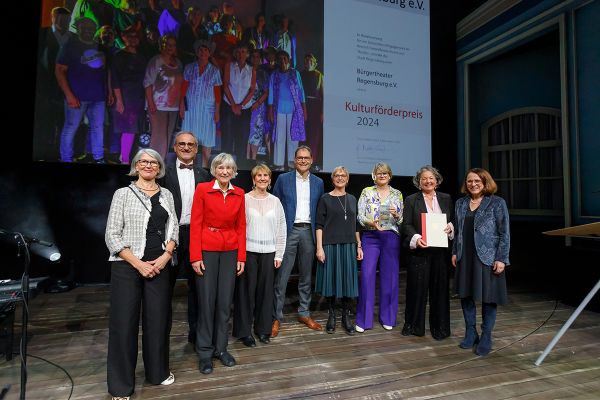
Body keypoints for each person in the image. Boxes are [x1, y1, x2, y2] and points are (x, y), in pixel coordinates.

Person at [105, 148, 178, 400]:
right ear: (136, 166)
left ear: (159, 168)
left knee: (158, 322)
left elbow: (174, 229)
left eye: (153, 162)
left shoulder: (166, 194)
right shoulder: (123, 194)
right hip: (128, 266)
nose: (148, 165)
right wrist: (139, 263)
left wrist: (166, 256)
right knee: (124, 325)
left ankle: (157, 373)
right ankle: (120, 386)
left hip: (159, 265)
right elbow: (112, 235)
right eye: (143, 162)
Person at [189, 153, 246, 374]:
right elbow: (195, 223)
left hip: (230, 251)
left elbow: (241, 227)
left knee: (224, 304)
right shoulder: (203, 189)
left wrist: (241, 257)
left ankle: (221, 349)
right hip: (207, 250)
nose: (224, 172)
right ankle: (204, 351)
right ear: (214, 170)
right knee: (206, 303)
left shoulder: (239, 193)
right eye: (220, 168)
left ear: (233, 172)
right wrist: (195, 256)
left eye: (228, 168)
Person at [452, 168, 510, 356]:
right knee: (466, 295)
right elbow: (458, 231)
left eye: (477, 180)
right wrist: (454, 252)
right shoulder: (460, 203)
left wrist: (501, 258)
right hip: (464, 256)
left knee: (488, 297)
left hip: (487, 257)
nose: (473, 184)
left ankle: (486, 335)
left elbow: (504, 233)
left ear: (485, 182)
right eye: (470, 181)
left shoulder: (497, 203)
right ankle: (471, 332)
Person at [160, 131, 211, 344]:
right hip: (170, 234)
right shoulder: (164, 174)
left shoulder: (205, 175)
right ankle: (161, 332)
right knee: (164, 287)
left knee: (197, 287)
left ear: (197, 149)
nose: (186, 147)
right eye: (182, 144)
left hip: (197, 235)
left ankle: (195, 333)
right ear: (175, 147)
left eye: (191, 144)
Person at [272, 145, 324, 337]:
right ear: (294, 160)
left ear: (311, 160)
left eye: (306, 158)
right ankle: (275, 317)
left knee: (306, 276)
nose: (303, 161)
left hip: (308, 232)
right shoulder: (283, 179)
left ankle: (304, 312)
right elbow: (275, 204)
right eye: (299, 158)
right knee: (282, 277)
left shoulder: (318, 182)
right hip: (289, 231)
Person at [233, 164, 286, 347]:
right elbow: (238, 228)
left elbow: (282, 230)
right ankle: (244, 332)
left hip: (269, 253)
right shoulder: (244, 199)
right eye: (259, 175)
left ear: (270, 179)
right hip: (248, 252)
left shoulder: (276, 201)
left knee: (266, 294)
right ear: (254, 179)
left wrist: (279, 254)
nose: (262, 178)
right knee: (245, 294)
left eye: (266, 175)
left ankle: (263, 330)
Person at [401, 166, 454, 340]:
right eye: (424, 178)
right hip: (420, 251)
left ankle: (440, 328)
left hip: (440, 253)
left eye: (431, 178)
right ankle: (414, 326)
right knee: (417, 289)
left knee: (440, 290)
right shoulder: (411, 200)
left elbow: (453, 222)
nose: (428, 181)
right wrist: (416, 238)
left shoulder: (446, 198)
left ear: (437, 181)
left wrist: (451, 228)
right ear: (419, 182)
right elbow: (406, 224)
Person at [355, 162, 403, 332]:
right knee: (367, 276)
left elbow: (400, 220)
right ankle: (363, 320)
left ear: (390, 175)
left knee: (390, 278)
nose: (382, 176)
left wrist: (396, 214)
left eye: (385, 173)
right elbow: (360, 216)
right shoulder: (367, 192)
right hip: (370, 236)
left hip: (390, 237)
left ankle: (388, 317)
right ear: (374, 175)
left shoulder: (397, 194)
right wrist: (370, 222)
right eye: (379, 173)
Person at [315, 166, 363, 335]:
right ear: (333, 178)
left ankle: (345, 315)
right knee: (332, 282)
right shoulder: (325, 198)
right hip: (330, 245)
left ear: (347, 179)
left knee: (346, 282)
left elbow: (356, 225)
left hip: (348, 245)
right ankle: (332, 314)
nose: (340, 178)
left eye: (343, 175)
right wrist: (319, 248)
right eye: (337, 175)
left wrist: (358, 245)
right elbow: (319, 225)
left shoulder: (352, 199)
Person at [56, 16, 108, 163]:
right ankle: (66, 159)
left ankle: (98, 158)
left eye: (91, 28)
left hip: (98, 97)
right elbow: (59, 70)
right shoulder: (70, 45)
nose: (88, 30)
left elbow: (104, 72)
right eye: (84, 28)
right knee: (71, 127)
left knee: (97, 128)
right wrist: (69, 95)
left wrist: (107, 92)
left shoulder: (98, 46)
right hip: (77, 96)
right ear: (78, 28)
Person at [180, 39, 222, 167]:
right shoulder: (189, 68)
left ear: (209, 54)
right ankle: (187, 164)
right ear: (197, 53)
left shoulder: (214, 71)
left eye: (205, 50)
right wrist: (181, 105)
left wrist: (217, 111)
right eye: (200, 50)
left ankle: (204, 167)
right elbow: (183, 89)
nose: (203, 52)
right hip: (191, 108)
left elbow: (218, 94)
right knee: (189, 138)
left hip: (207, 110)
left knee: (206, 139)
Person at [143, 34, 184, 160]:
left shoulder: (178, 63)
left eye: (173, 45)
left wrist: (181, 104)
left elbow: (181, 85)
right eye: (168, 44)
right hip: (158, 104)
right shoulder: (156, 60)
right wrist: (150, 103)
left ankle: (161, 165)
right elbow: (147, 83)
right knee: (158, 137)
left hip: (173, 106)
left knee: (168, 136)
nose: (171, 47)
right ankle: (152, 164)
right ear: (162, 45)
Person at [110, 27, 147, 165]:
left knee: (135, 129)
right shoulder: (119, 56)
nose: (133, 39)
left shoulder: (141, 56)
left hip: (139, 96)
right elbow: (115, 79)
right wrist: (119, 101)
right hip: (125, 96)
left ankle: (128, 158)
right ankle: (124, 158)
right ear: (124, 37)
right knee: (128, 129)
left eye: (135, 36)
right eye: (129, 36)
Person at [267, 50, 307, 170]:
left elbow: (301, 92)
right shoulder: (274, 75)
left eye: (285, 58)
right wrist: (269, 110)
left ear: (289, 60)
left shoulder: (295, 74)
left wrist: (304, 109)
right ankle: (279, 163)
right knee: (279, 137)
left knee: (293, 137)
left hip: (293, 110)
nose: (283, 61)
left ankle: (291, 163)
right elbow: (270, 93)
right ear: (278, 61)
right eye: (280, 59)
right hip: (278, 109)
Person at [222, 42, 256, 168]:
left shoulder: (252, 70)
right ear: (235, 54)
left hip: (244, 109)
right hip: (229, 106)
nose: (240, 54)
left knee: (242, 138)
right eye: (238, 52)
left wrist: (240, 105)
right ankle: (225, 167)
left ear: (247, 54)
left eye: (243, 52)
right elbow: (225, 86)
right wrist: (233, 105)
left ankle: (240, 168)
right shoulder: (229, 66)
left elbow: (252, 90)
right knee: (227, 137)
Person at [299, 53, 323, 172]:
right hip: (303, 106)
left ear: (315, 62)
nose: (308, 62)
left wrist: (323, 112)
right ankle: (302, 162)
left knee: (314, 137)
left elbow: (323, 95)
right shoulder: (300, 74)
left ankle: (312, 162)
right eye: (306, 60)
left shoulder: (319, 75)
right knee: (303, 135)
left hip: (315, 107)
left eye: (311, 60)